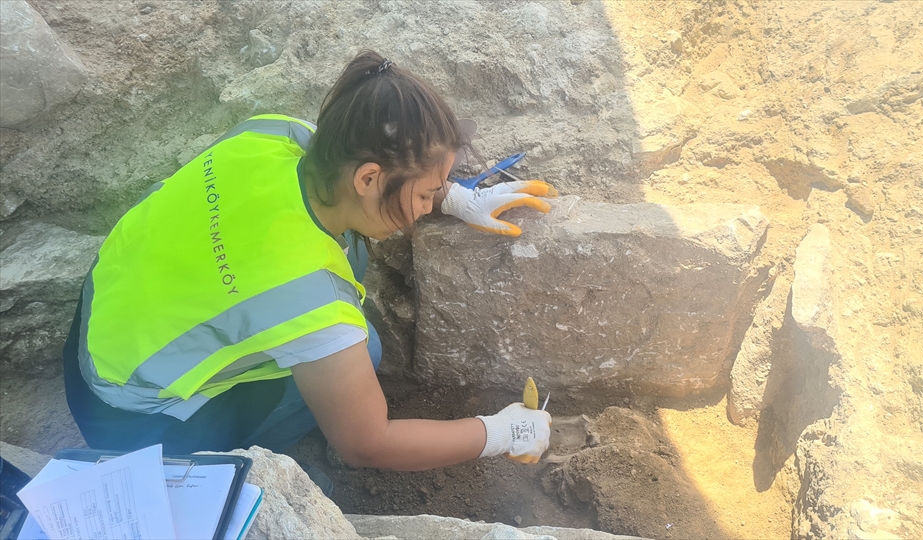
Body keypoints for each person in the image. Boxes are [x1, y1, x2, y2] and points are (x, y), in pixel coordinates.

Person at [62, 50, 554, 471]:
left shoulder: (276, 134)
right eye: (426, 194)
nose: (428, 206)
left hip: (103, 321)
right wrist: (498, 433)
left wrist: (453, 197)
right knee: (367, 351)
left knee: (348, 289)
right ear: (367, 179)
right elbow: (367, 443)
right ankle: (246, 466)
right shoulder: (308, 299)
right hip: (135, 423)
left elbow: (352, 168)